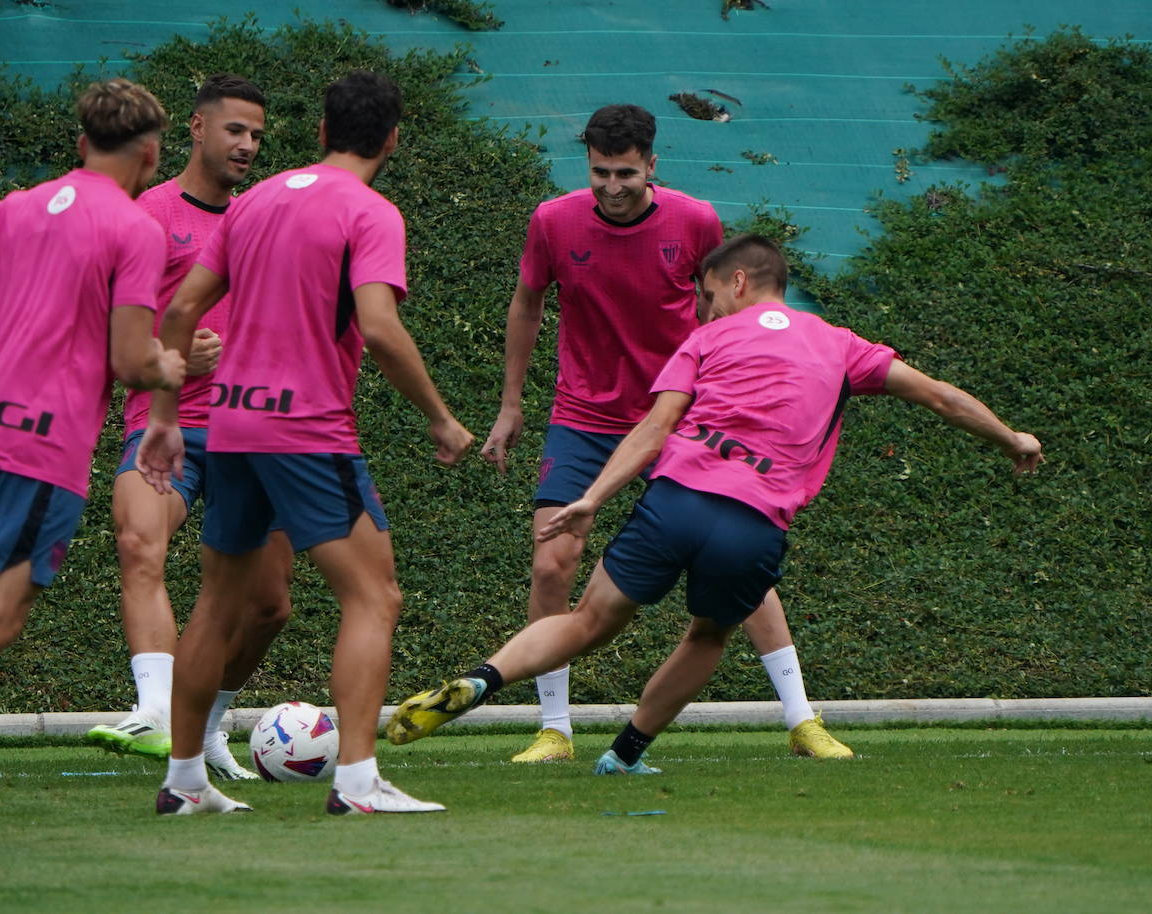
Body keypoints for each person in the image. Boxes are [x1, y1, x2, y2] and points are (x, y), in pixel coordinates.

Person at [387, 234, 1044, 772]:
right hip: (753, 526)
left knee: (587, 621)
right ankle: (624, 754)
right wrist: (1011, 436)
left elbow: (653, 430)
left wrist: (592, 497)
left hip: (674, 501)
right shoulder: (841, 345)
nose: (702, 313)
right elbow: (940, 396)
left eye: (705, 297)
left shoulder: (704, 341)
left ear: (737, 283)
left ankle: (480, 680)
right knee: (707, 635)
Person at [137, 69, 474, 816]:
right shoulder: (371, 211)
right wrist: (441, 418)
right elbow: (380, 328)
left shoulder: (253, 201)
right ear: (391, 139)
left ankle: (185, 783)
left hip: (228, 424)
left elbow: (183, 306)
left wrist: (165, 414)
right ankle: (357, 783)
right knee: (374, 595)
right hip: (307, 430)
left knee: (216, 605)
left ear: (320, 131)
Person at [480, 104, 846, 763]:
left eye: (625, 173)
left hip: (681, 419)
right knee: (551, 561)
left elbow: (724, 307)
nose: (612, 187)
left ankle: (801, 719)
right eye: (599, 173)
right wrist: (511, 406)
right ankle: (554, 730)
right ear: (585, 162)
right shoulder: (552, 221)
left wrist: (734, 394)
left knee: (741, 558)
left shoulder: (695, 220)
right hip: (583, 417)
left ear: (652, 165)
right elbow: (527, 303)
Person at [0, 79, 186, 850]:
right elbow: (132, 361)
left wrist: (1, 341)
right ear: (152, 153)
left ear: (79, 143)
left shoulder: (15, 206)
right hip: (44, 447)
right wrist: (173, 365)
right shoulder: (135, 229)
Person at [85, 74, 289, 781]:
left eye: (257, 135)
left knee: (269, 607)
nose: (247, 145)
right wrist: (172, 356)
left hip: (256, 433)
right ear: (197, 129)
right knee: (139, 541)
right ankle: (156, 711)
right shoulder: (147, 214)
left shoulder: (262, 217)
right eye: (235, 130)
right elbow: (114, 336)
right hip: (166, 425)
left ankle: (202, 725)